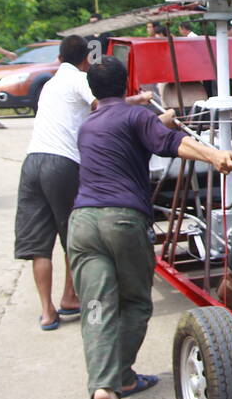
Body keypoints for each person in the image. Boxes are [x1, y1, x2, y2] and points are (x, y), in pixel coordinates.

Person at [68, 57, 232, 399]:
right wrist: (216, 155)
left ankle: (105, 387)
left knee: (97, 307)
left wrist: (158, 119)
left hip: (81, 224)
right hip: (122, 220)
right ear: (127, 84)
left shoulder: (89, 125)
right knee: (133, 302)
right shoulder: (134, 117)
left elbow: (136, 129)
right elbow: (173, 143)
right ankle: (120, 377)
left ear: (94, 91)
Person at [14, 36, 155, 331]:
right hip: (62, 163)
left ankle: (47, 312)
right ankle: (70, 296)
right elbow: (104, 108)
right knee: (73, 236)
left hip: (32, 162)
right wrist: (139, 102)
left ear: (59, 57)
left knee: (39, 245)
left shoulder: (50, 83)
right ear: (85, 59)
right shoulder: (79, 78)